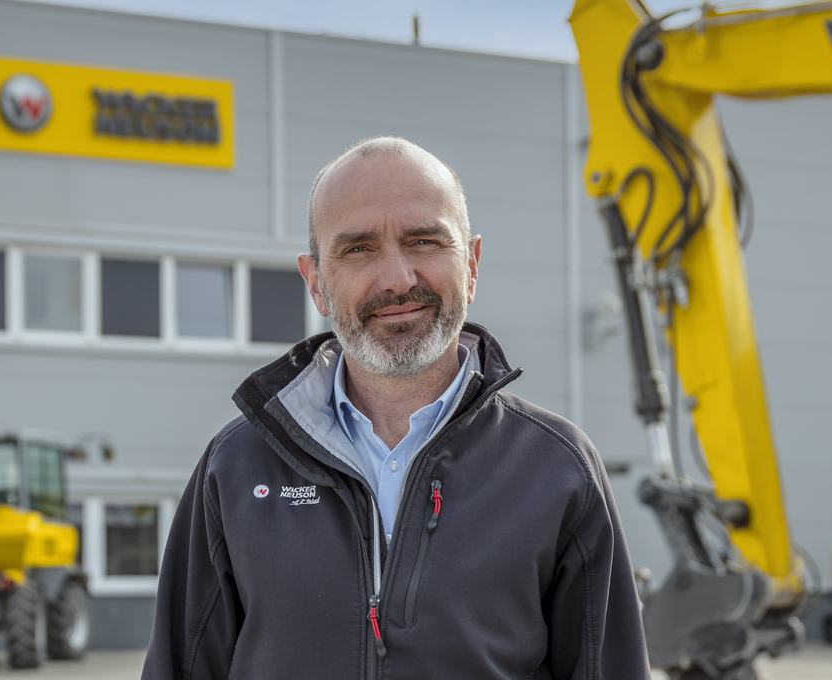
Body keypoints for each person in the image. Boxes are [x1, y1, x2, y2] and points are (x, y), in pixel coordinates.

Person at [142, 137, 648, 679]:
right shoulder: (236, 466)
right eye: (358, 248)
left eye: (425, 241)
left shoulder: (558, 469)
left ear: (472, 263)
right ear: (315, 282)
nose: (397, 279)